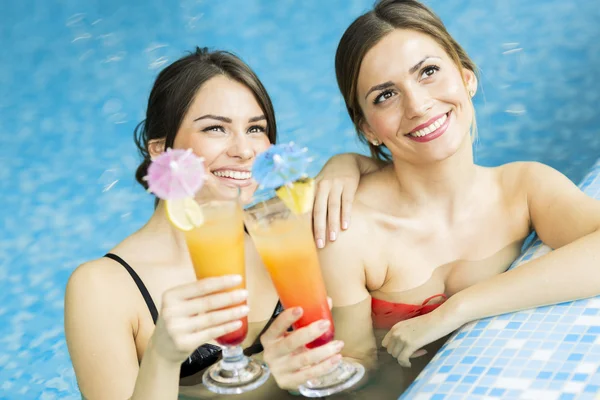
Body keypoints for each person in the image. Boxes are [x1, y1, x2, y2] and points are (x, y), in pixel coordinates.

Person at [317, 0, 600, 392]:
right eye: (385, 95)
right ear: (368, 128)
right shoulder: (349, 231)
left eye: (429, 72)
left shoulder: (522, 189)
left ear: (466, 77)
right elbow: (356, 373)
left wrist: (457, 310)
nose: (417, 105)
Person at [64, 47, 374, 400]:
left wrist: (345, 164)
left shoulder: (283, 229)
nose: (244, 150)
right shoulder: (104, 288)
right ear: (161, 150)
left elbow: (396, 178)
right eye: (215, 128)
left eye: (255, 128)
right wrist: (163, 356)